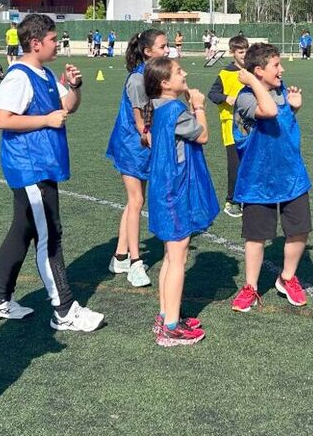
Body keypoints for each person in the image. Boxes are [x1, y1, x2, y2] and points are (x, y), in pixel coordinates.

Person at [0, 13, 105, 330]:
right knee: (50, 235)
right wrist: (46, 120)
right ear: (35, 43)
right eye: (53, 39)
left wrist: (75, 86)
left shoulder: (46, 73)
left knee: (22, 232)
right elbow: (2, 119)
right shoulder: (18, 77)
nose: (57, 43)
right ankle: (64, 310)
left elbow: (68, 107)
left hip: (43, 164)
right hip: (29, 167)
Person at [229, 43, 312, 313]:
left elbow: (281, 121)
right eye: (276, 65)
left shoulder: (281, 90)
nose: (282, 69)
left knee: (299, 231)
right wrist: (252, 81)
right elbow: (270, 112)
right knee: (256, 236)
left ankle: (287, 278)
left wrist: (294, 107)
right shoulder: (245, 97)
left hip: (292, 176)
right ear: (258, 70)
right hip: (258, 180)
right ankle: (250, 287)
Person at [144, 56, 218, 346]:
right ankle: (171, 328)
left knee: (169, 255)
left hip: (163, 187)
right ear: (165, 83)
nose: (184, 73)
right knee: (178, 257)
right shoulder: (175, 109)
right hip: (174, 190)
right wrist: (198, 105)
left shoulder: (160, 107)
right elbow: (203, 136)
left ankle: (165, 315)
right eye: (178, 72)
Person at [105, 29, 170, 287]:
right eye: (163, 47)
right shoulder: (137, 79)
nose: (167, 50)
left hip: (141, 144)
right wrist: (156, 139)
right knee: (137, 200)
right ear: (147, 51)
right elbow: (140, 122)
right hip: (131, 144)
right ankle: (135, 263)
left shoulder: (154, 76)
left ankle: (119, 256)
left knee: (134, 202)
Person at [208, 34, 250, 217]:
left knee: (251, 161)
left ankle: (249, 198)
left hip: (251, 125)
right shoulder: (225, 74)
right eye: (241, 52)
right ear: (233, 53)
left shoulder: (251, 71)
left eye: (246, 50)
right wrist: (227, 98)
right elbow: (212, 94)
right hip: (230, 125)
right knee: (235, 164)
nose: (244, 54)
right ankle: (231, 200)